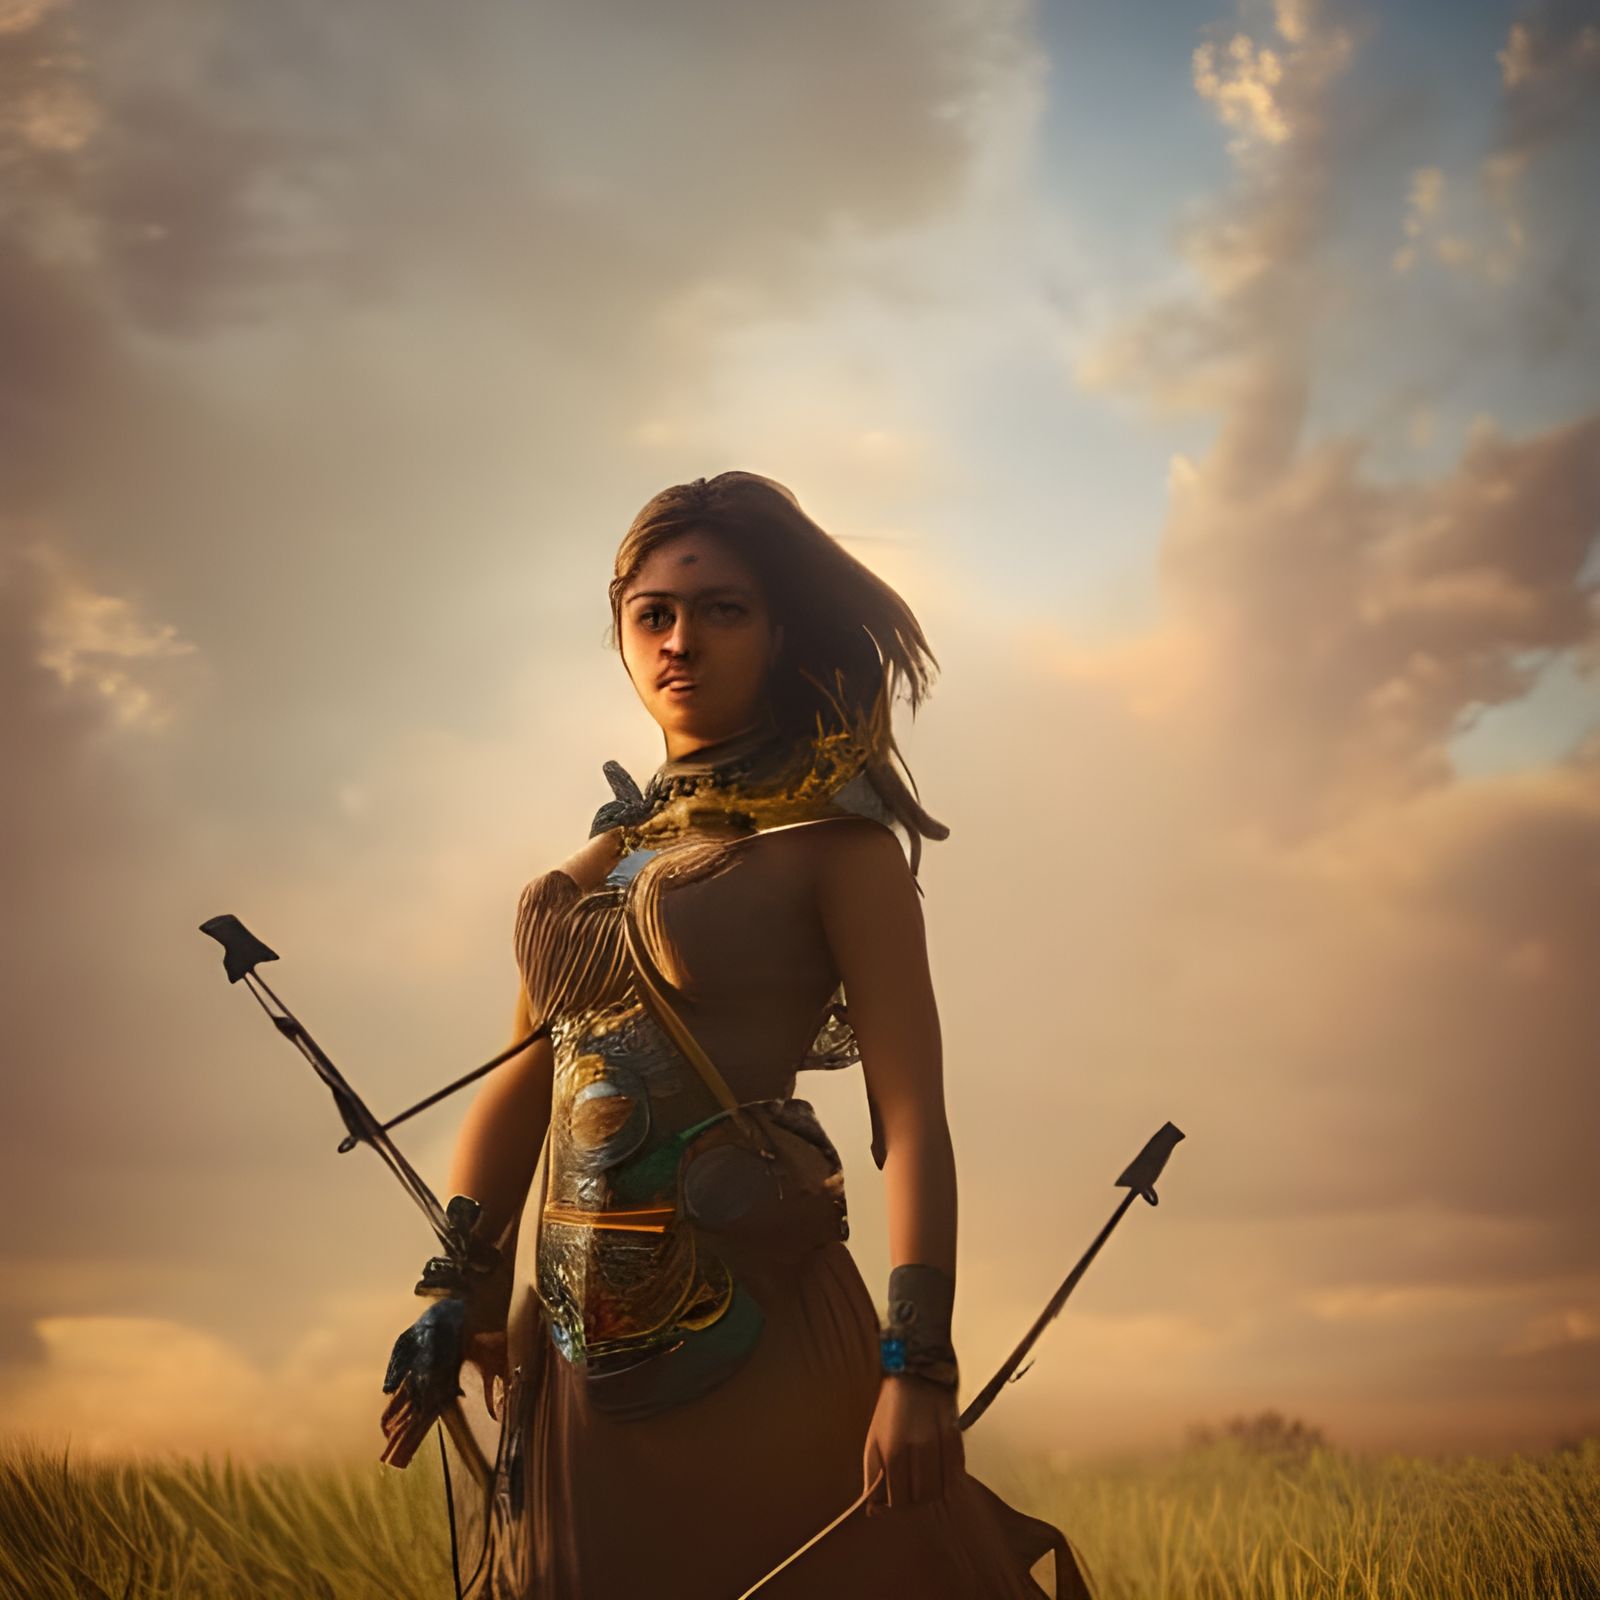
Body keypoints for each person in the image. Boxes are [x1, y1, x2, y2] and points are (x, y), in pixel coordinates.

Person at [380, 471, 1094, 1599]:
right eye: (652, 613)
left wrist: (917, 1365)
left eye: (721, 610)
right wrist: (451, 1290)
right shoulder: (601, 857)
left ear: (777, 630)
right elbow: (523, 1083)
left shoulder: (837, 849)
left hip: (765, 1337)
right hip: (571, 1360)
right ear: (621, 633)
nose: (681, 639)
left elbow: (909, 1123)